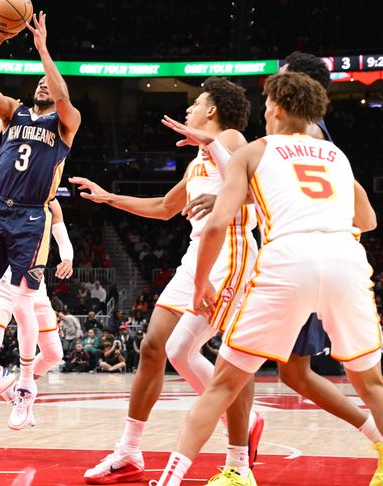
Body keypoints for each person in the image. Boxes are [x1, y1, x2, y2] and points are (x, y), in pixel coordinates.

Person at [154, 71, 383, 486]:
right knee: (371, 384)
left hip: (288, 260)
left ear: (277, 108)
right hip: (344, 260)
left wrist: (199, 284)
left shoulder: (255, 151)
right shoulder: (335, 155)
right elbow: (367, 219)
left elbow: (215, 226)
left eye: (265, 106)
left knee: (224, 384)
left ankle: (173, 479)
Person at [72, 77, 261, 485]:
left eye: (197, 103)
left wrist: (218, 168)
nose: (189, 109)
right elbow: (163, 207)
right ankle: (129, 450)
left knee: (228, 358)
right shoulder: (197, 161)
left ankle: (239, 452)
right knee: (157, 345)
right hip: (197, 256)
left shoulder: (232, 137)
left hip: (231, 254)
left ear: (212, 110)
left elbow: (257, 188)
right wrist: (109, 198)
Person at [0, 10, 80, 437]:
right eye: (40, 81)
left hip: (31, 216)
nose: (44, 85)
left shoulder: (66, 124)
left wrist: (44, 48)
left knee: (24, 302)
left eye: (51, 83)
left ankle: (26, 384)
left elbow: (61, 93)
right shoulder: (14, 114)